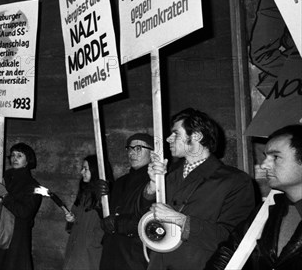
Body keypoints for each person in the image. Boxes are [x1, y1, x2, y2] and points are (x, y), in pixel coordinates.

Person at [141, 108, 256, 270]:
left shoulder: (235, 181)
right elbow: (141, 218)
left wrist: (181, 221)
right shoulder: (167, 174)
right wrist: (153, 186)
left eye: (176, 134)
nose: (168, 139)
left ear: (196, 136)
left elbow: (233, 238)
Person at [207, 124, 302, 269]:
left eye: (275, 157)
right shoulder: (268, 210)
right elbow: (230, 251)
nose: (264, 165)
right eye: (266, 157)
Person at [0, 142, 43, 270]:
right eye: (12, 155)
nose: (14, 158)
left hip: (15, 238)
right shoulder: (5, 178)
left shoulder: (32, 186)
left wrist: (5, 196)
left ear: (27, 160)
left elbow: (25, 212)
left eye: (19, 155)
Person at [99, 133, 155, 270]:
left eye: (138, 148)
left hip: (134, 256)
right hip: (112, 253)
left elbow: (151, 221)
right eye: (129, 148)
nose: (132, 153)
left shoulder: (156, 182)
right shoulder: (120, 183)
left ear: (153, 153)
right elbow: (108, 216)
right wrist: (100, 200)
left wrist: (118, 223)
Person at [62, 154, 105, 270]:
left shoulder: (104, 197)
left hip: (90, 253)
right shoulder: (83, 193)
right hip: (75, 249)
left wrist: (93, 242)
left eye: (86, 169)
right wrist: (71, 220)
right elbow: (73, 223)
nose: (82, 172)